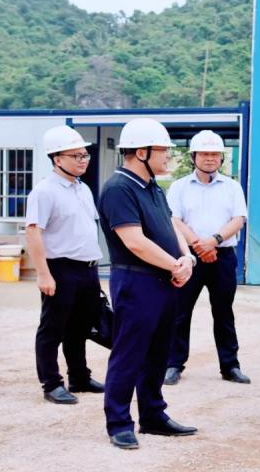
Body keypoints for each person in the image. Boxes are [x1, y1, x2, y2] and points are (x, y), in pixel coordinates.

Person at [98, 118, 197, 450]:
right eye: (163, 150)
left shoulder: (153, 187)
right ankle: (119, 423)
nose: (168, 156)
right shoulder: (119, 188)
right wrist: (175, 265)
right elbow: (135, 242)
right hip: (136, 281)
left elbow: (170, 224)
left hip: (165, 279)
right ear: (141, 152)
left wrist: (186, 258)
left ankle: (153, 415)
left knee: (158, 352)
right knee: (130, 353)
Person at [25, 125, 104, 405]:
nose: (83, 160)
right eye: (76, 156)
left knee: (80, 327)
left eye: (85, 155)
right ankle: (51, 383)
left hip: (87, 268)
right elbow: (33, 231)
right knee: (52, 329)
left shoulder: (83, 189)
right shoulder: (45, 191)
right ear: (57, 159)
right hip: (60, 268)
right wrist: (43, 274)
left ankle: (79, 377)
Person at [164, 130, 250, 386]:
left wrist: (213, 241)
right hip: (188, 256)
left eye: (215, 154)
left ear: (222, 158)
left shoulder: (232, 187)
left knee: (223, 312)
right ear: (193, 156)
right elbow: (173, 219)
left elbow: (239, 219)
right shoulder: (179, 187)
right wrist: (198, 245)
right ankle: (173, 363)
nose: (210, 158)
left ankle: (230, 365)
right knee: (180, 311)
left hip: (222, 256)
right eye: (204, 154)